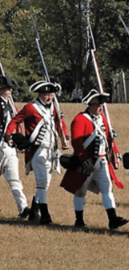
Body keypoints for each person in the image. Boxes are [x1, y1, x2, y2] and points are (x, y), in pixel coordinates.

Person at [60, 90, 127, 230]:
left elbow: (109, 138)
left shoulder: (103, 118)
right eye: (97, 105)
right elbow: (77, 143)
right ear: (90, 105)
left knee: (107, 189)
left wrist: (116, 154)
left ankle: (112, 219)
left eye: (101, 104)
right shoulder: (80, 119)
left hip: (103, 161)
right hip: (88, 162)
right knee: (80, 191)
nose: (100, 107)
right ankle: (79, 220)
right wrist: (84, 159)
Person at [6, 81, 69, 225]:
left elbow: (59, 123)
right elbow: (15, 121)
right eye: (46, 94)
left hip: (51, 151)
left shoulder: (54, 107)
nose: (49, 97)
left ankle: (34, 212)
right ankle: (45, 215)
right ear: (40, 94)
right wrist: (8, 135)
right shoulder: (31, 108)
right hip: (38, 150)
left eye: (51, 94)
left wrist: (65, 138)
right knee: (41, 183)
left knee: (45, 185)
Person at [0, 76, 30, 219]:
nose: (10, 90)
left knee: (14, 179)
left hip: (9, 147)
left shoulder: (10, 104)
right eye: (7, 88)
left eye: (10, 88)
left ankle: (23, 208)